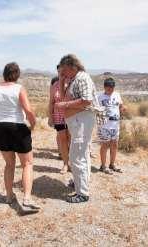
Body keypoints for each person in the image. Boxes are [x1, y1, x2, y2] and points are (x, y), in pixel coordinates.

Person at [0, 62, 40, 211]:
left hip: (1, 127)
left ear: (4, 73)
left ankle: (9, 196)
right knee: (27, 164)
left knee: (9, 164)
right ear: (17, 74)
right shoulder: (19, 89)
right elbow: (28, 110)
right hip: (17, 126)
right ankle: (27, 199)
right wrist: (33, 125)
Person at [55, 54, 98, 203]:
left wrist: (65, 106)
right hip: (77, 122)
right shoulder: (73, 79)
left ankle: (82, 193)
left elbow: (87, 100)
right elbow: (62, 97)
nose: (63, 74)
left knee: (76, 156)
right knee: (82, 154)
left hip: (82, 121)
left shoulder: (82, 78)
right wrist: (61, 81)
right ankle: (80, 182)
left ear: (73, 67)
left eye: (64, 71)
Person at [97, 78, 125, 174]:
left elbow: (121, 106)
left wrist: (123, 108)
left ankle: (112, 164)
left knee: (114, 144)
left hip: (115, 124)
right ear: (104, 87)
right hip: (104, 125)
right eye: (108, 88)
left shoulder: (117, 95)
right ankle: (103, 166)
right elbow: (94, 108)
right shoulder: (99, 96)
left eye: (112, 88)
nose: (110, 90)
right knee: (105, 145)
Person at [48, 71, 71, 174]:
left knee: (71, 139)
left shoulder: (72, 83)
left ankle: (73, 163)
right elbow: (51, 102)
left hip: (71, 115)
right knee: (63, 140)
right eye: (60, 72)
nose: (62, 74)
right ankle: (66, 164)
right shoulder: (55, 85)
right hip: (58, 116)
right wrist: (50, 117)